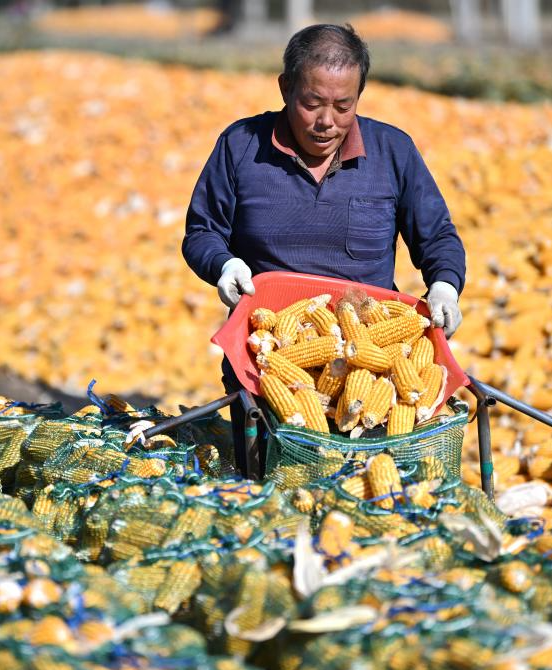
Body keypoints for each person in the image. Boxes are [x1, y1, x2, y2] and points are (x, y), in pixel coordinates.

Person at [182, 24, 466, 478]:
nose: (326, 121)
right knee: (277, 481)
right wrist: (224, 264)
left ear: (359, 96)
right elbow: (202, 231)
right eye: (312, 103)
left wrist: (445, 285)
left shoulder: (393, 151)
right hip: (272, 354)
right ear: (285, 88)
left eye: (343, 106)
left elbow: (437, 237)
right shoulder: (241, 145)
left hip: (368, 356)